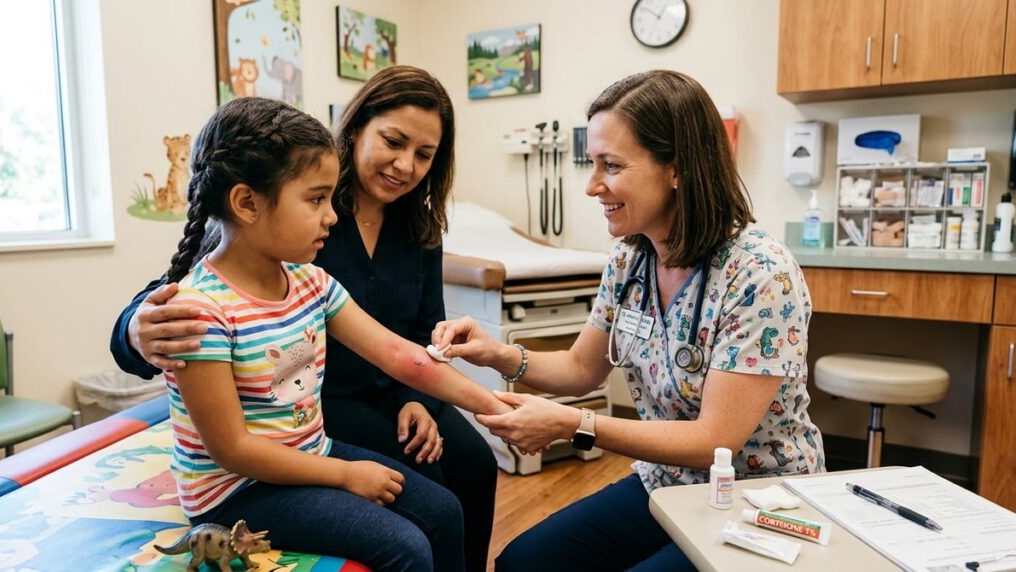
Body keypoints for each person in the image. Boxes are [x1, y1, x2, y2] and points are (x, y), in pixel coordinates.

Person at [432, 70, 826, 571]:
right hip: (667, 482)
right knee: (521, 564)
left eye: (611, 166)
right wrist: (499, 354)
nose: (593, 186)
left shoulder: (760, 273)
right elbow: (580, 369)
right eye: (592, 164)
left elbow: (714, 440)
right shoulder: (629, 262)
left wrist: (576, 425)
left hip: (757, 499)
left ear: (677, 168)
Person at [109, 66, 499, 571]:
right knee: (417, 518)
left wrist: (495, 406)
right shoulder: (277, 229)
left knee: (467, 476)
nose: (406, 165)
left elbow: (408, 349)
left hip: (340, 419)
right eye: (394, 142)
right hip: (313, 420)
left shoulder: (334, 260)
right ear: (358, 128)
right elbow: (174, 298)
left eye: (424, 154)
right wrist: (135, 329)